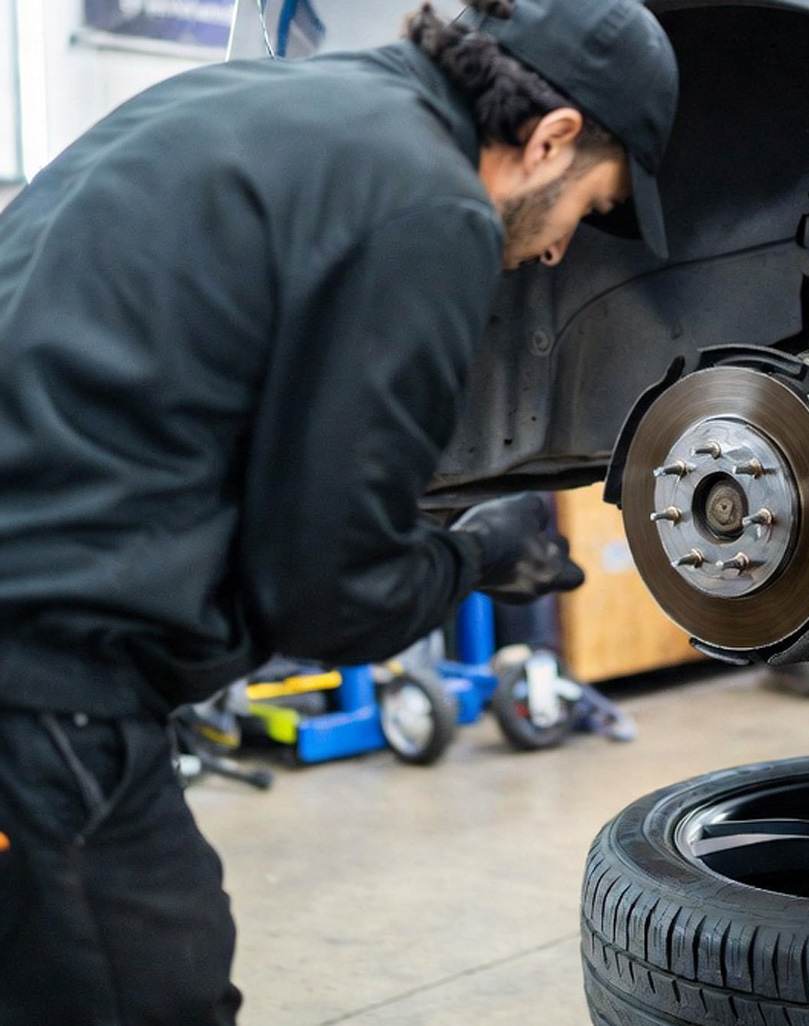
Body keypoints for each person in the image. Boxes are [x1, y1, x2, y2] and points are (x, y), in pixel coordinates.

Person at [0, 0, 679, 1020]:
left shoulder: (254, 102)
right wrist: (476, 556)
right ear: (551, 140)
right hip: (46, 683)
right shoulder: (430, 207)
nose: (558, 253)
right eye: (591, 207)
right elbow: (328, 597)